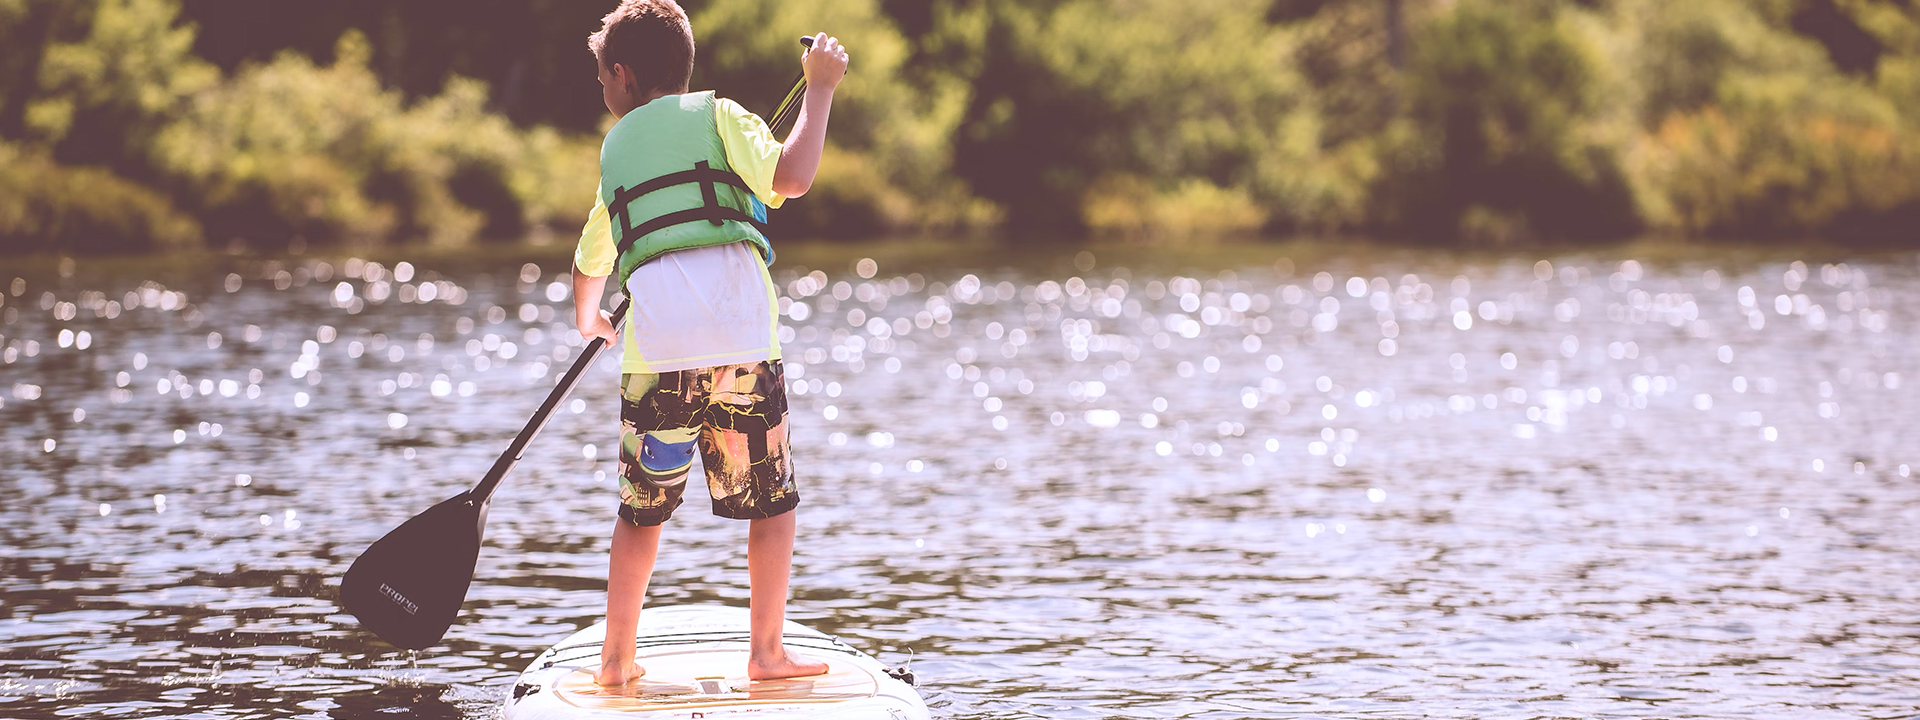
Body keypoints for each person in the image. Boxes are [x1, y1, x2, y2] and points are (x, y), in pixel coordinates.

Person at [569, 0, 848, 687]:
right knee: (771, 504)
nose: (604, 93)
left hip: (658, 353)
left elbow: (590, 263)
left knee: (641, 513)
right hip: (742, 346)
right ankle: (767, 653)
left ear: (626, 77)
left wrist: (590, 321)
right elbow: (792, 176)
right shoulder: (723, 115)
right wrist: (820, 88)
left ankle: (615, 662)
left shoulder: (616, 151)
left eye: (603, 80)